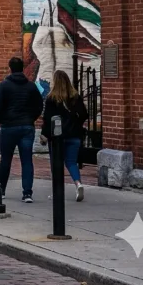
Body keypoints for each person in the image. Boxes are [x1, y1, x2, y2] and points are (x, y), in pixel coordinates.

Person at [0, 56, 43, 202]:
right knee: (27, 160)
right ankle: (27, 193)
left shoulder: (4, 86)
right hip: (26, 126)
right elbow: (39, 106)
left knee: (5, 160)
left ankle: (1, 190)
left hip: (8, 127)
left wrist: (1, 120)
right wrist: (31, 119)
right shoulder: (31, 86)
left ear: (10, 68)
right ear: (22, 68)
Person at [42, 69, 89, 203]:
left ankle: (57, 191)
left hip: (57, 137)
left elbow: (48, 119)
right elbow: (84, 115)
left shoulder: (51, 98)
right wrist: (76, 124)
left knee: (56, 164)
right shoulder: (75, 97)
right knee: (71, 162)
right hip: (74, 135)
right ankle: (78, 184)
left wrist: (44, 134)